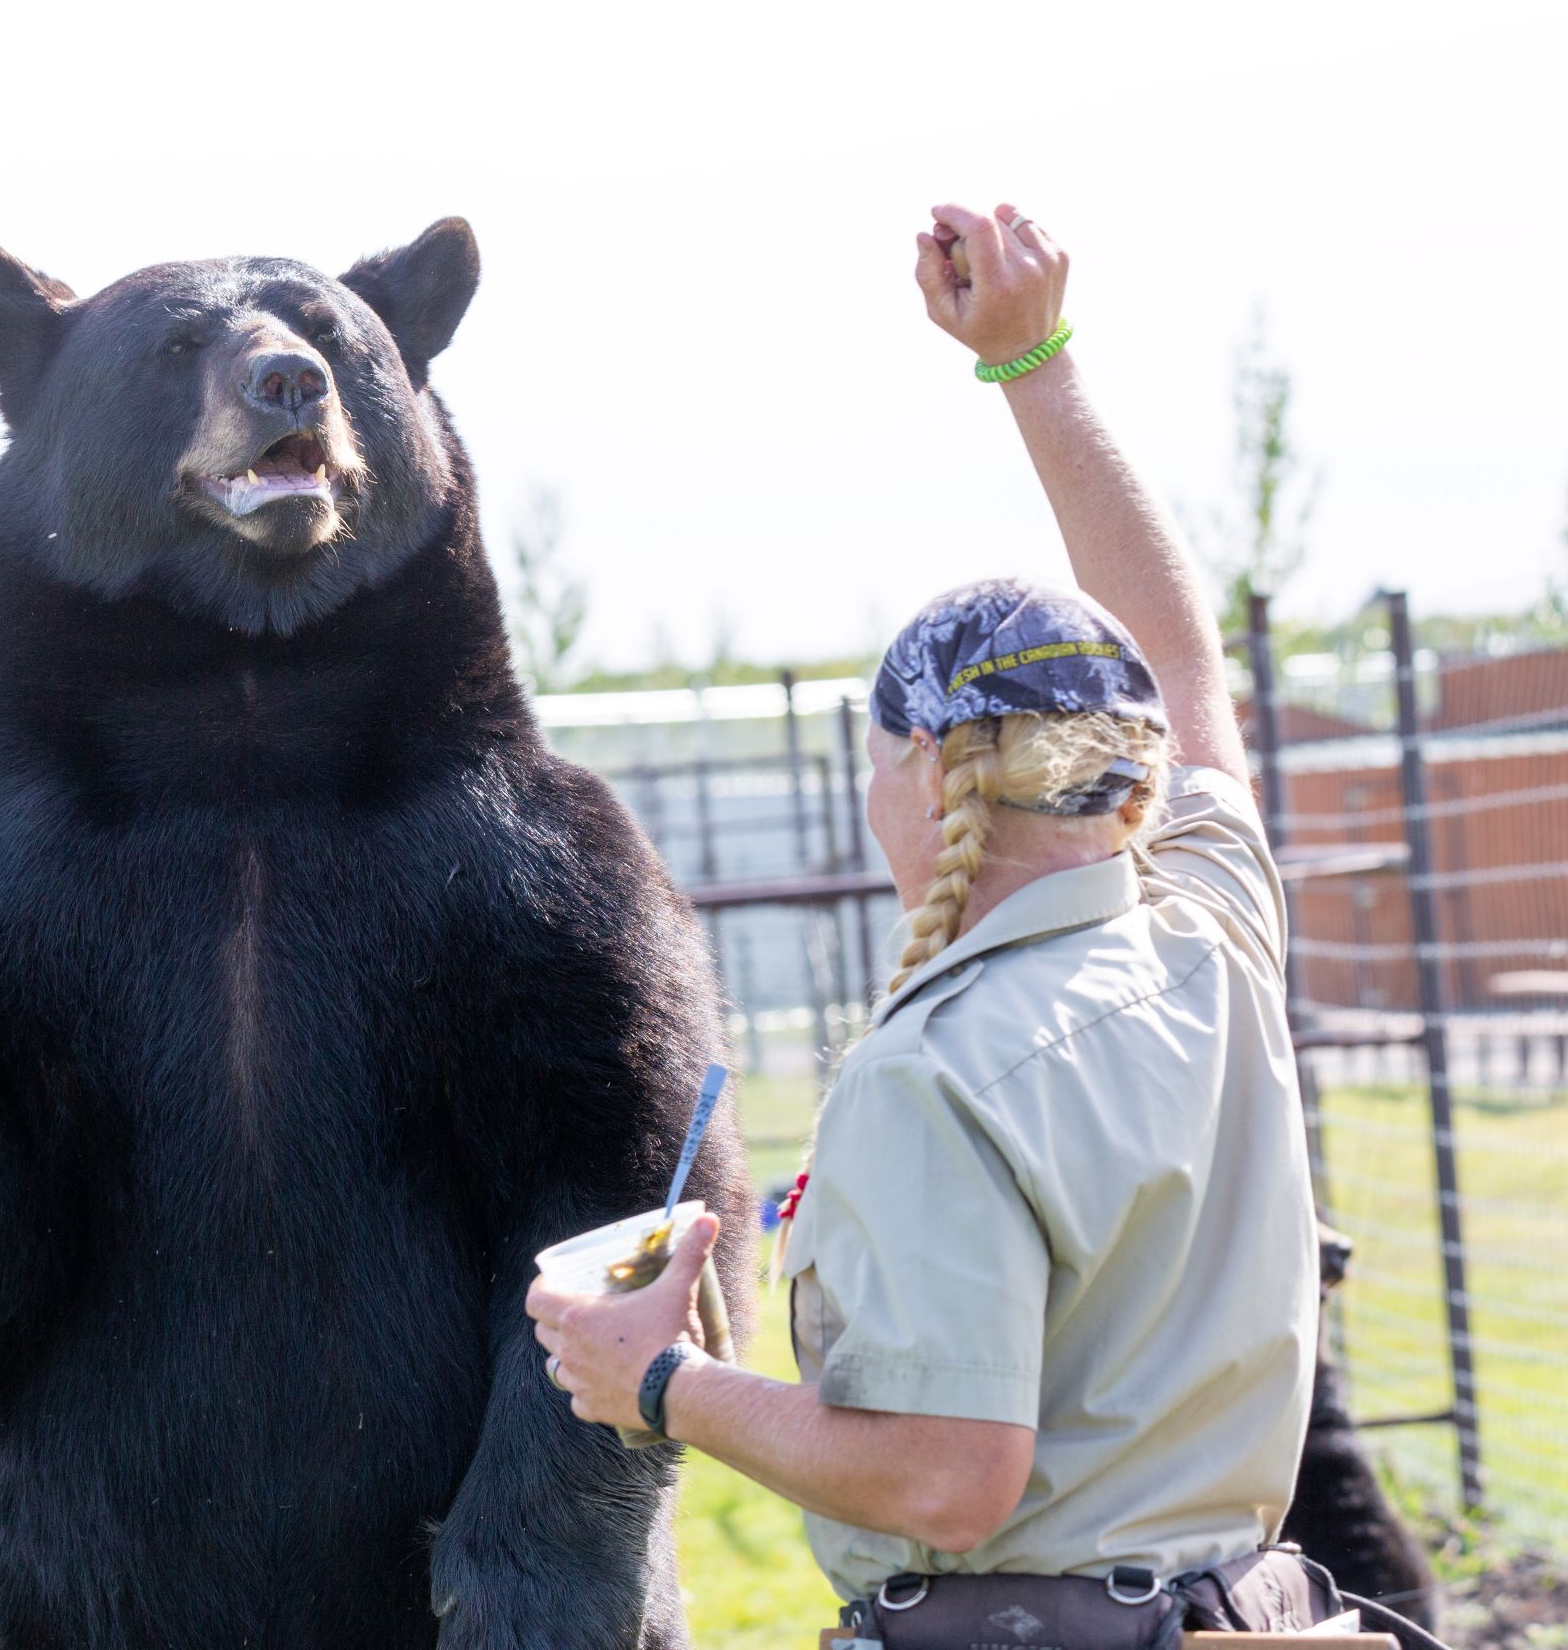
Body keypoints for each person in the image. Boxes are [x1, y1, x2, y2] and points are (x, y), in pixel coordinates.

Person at [528, 202, 1339, 1644]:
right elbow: (1189, 676)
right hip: (1242, 1614)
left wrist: (656, 1382)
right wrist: (1038, 363)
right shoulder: (1207, 936)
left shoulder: (937, 1074)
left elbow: (951, 1483)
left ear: (925, 769)